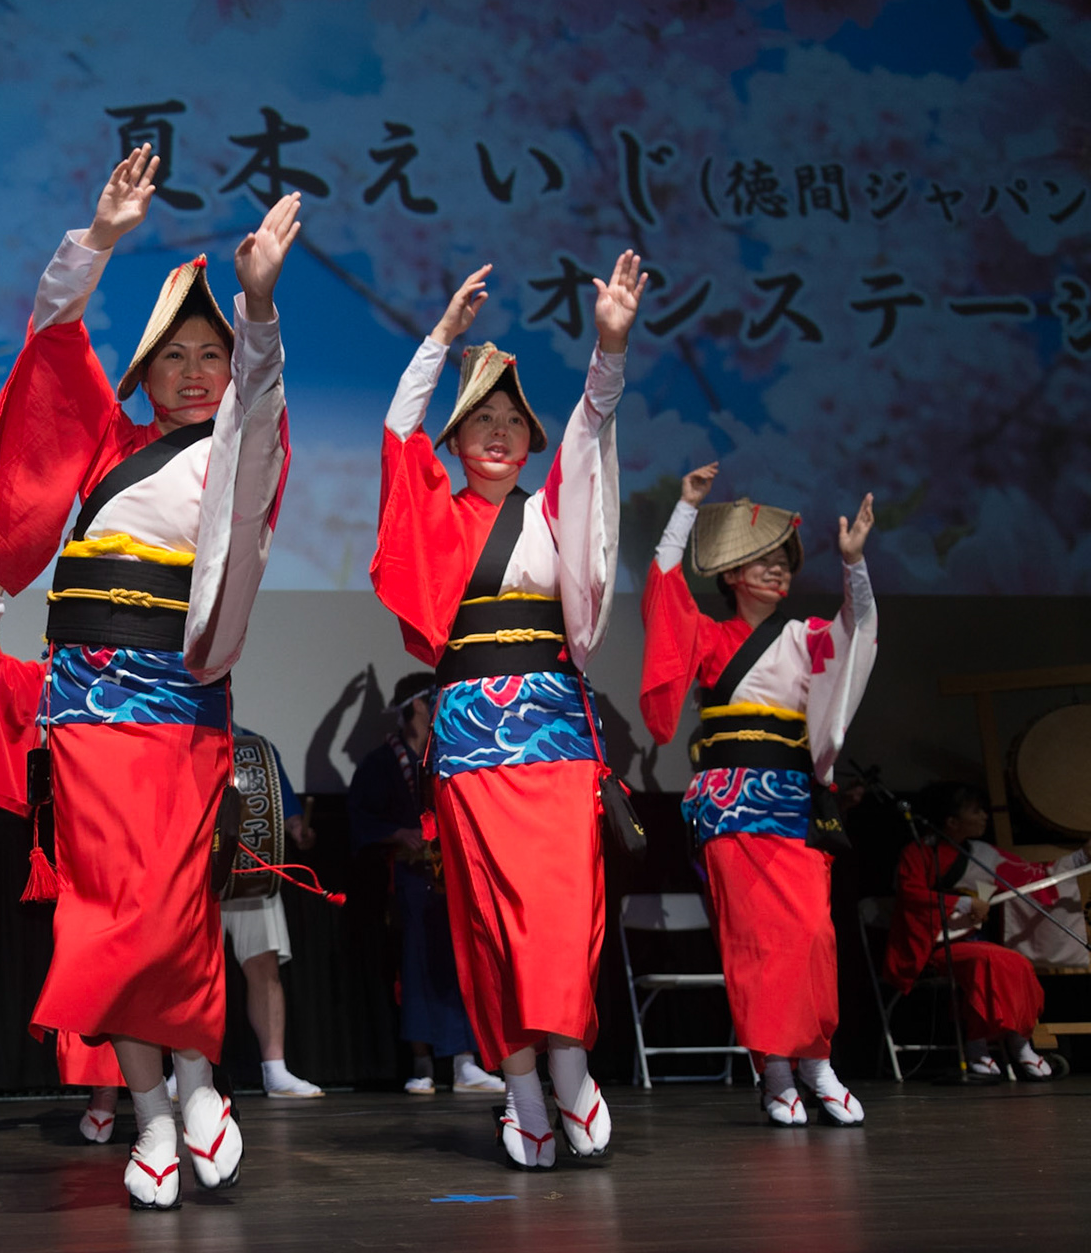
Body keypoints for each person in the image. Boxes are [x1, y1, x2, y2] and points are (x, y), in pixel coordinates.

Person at [0, 145, 296, 1209]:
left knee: (172, 913)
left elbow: (263, 392)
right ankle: (154, 1111)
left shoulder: (241, 449)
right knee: (102, 913)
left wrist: (260, 308)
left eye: (212, 354)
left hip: (178, 714)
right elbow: (52, 337)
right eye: (174, 356)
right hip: (85, 714)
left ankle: (197, 1081)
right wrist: (97, 239)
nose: (195, 371)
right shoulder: (104, 447)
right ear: (142, 372)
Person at [370, 255, 644, 1168]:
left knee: (563, 910)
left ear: (530, 440)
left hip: (553, 731)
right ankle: (519, 1087)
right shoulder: (434, 511)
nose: (496, 432)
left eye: (511, 422)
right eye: (479, 420)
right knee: (489, 917)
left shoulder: (554, 508)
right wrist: (441, 338)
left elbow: (594, 421)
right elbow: (395, 428)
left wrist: (609, 345)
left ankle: (568, 1063)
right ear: (456, 440)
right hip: (471, 740)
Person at [639, 465, 877, 1126]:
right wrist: (685, 509)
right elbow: (662, 593)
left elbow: (856, 635)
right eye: (762, 562)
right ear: (732, 575)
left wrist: (853, 565)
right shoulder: (711, 638)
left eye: (784, 563)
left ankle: (817, 1061)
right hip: (732, 800)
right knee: (757, 938)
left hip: (794, 801)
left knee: (812, 932)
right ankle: (775, 1069)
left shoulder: (805, 637)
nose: (777, 572)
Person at [0, 577, 129, 1142]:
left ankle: (136, 1092)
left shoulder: (119, 684)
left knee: (121, 959)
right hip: (66, 845)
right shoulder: (42, 682)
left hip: (118, 840)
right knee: (82, 961)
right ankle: (103, 1097)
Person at [347, 672, 504, 1096]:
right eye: (433, 699)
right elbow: (359, 818)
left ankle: (466, 1061)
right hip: (410, 880)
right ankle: (422, 1063)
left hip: (452, 876)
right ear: (418, 705)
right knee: (414, 968)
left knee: (463, 962)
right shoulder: (381, 763)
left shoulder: (447, 754)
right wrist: (398, 834)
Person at [885, 783, 1087, 1079]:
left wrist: (1081, 858)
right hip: (929, 946)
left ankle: (1019, 1042)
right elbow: (909, 895)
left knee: (1015, 961)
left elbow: (1032, 877)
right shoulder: (917, 853)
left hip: (968, 943)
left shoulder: (982, 853)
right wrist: (964, 902)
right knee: (989, 961)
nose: (984, 816)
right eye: (975, 811)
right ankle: (977, 1047)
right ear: (951, 822)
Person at [220, 727, 325, 1098]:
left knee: (264, 968)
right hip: (201, 879)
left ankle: (275, 1070)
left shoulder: (257, 747)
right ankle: (185, 1071)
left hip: (253, 873)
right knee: (193, 974)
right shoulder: (183, 739)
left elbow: (285, 812)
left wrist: (299, 831)